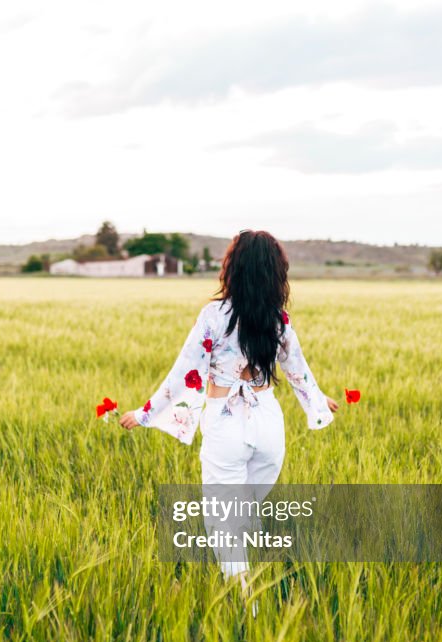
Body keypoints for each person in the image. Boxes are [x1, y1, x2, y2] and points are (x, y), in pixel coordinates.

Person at [119, 230, 338, 608]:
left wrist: (145, 414)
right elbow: (297, 370)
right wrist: (318, 402)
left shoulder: (213, 316)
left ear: (232, 269)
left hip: (226, 423)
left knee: (224, 520)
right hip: (268, 422)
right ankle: (252, 573)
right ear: (275, 272)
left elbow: (184, 375)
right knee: (248, 508)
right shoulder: (278, 319)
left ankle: (246, 606)